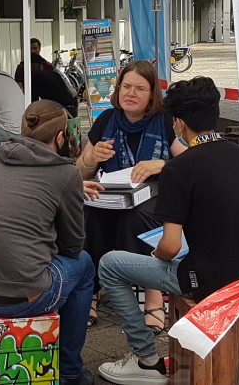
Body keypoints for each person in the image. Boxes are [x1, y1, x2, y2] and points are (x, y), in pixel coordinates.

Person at [96, 77, 239, 384]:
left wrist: (157, 251)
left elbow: (169, 247)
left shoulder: (178, 169)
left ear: (179, 124)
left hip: (205, 276)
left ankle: (145, 359)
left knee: (110, 265)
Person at [0, 100, 95, 385]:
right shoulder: (66, 174)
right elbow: (72, 247)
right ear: (60, 136)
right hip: (20, 299)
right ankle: (68, 371)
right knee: (85, 266)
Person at [75, 60, 187, 329]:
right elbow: (80, 174)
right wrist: (90, 158)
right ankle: (91, 290)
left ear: (152, 94)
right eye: (126, 86)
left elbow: (191, 165)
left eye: (140, 88)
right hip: (114, 195)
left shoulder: (165, 120)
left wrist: (162, 164)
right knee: (91, 210)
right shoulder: (106, 120)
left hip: (156, 197)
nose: (131, 93)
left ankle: (153, 294)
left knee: (136, 217)